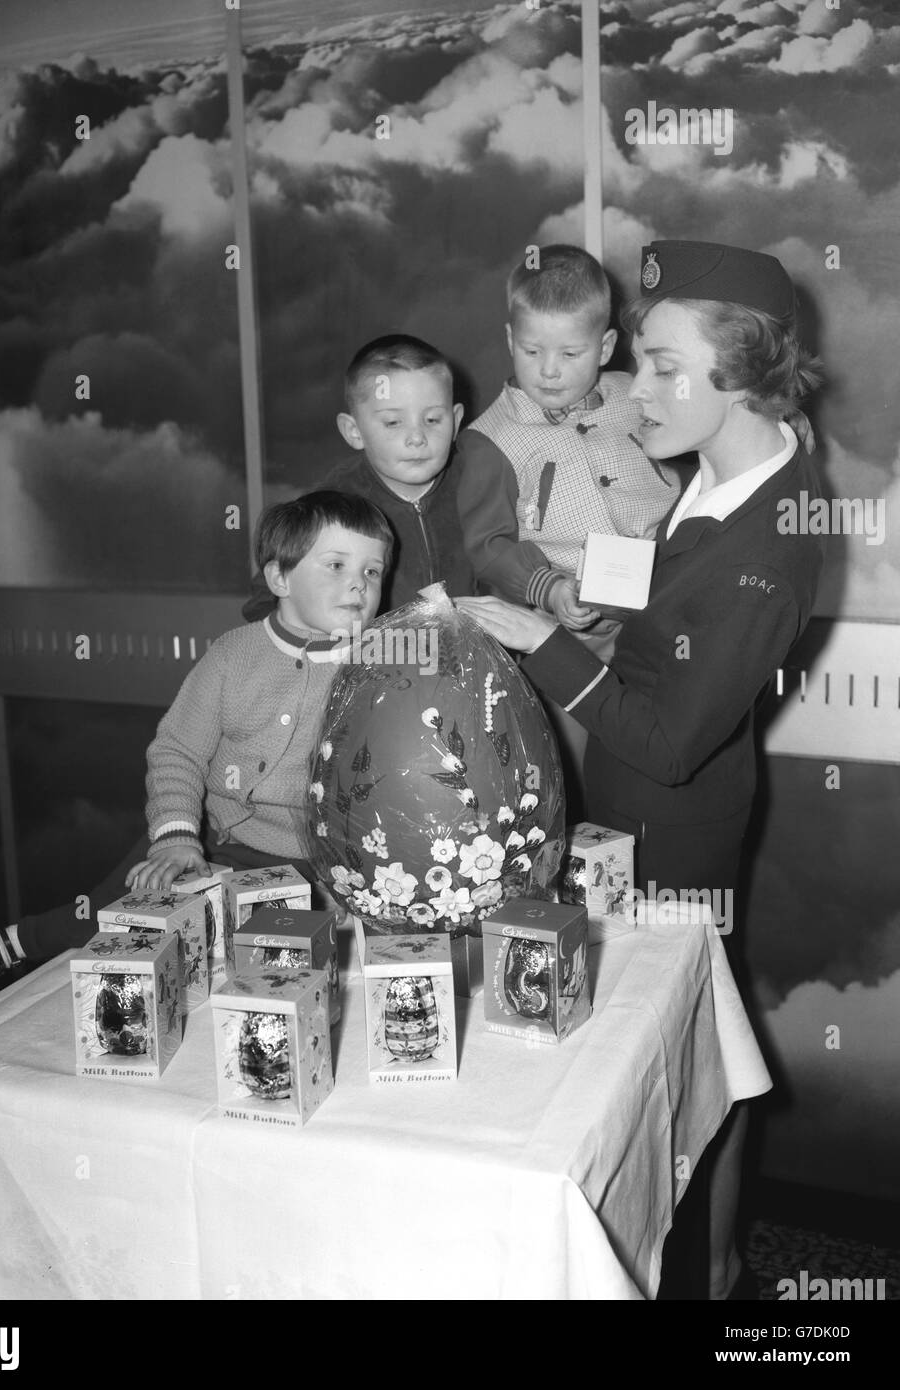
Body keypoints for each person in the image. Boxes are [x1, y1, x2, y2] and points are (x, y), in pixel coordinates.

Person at [458, 240, 826, 1300]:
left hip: (676, 823)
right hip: (630, 809)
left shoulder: (769, 545)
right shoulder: (726, 469)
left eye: (667, 367)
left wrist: (542, 642)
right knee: (659, 1059)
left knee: (689, 1075)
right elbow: (669, 587)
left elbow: (670, 742)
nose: (641, 389)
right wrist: (568, 581)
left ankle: (708, 1281)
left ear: (745, 373)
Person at [0, 491, 392, 999]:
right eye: (336, 565)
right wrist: (176, 836)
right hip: (212, 837)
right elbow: (178, 751)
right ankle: (15, 942)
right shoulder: (230, 658)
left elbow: (378, 782)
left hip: (309, 863)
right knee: (115, 912)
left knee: (279, 977)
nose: (358, 583)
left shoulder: (376, 669)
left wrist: (350, 869)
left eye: (373, 572)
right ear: (280, 578)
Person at [455, 244, 684, 805]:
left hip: (661, 614)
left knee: (658, 760)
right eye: (531, 350)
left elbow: (698, 435)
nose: (549, 370)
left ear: (606, 346)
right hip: (563, 633)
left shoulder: (636, 396)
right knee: (577, 776)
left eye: (571, 352)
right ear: (510, 340)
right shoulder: (491, 440)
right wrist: (551, 589)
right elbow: (489, 546)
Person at [243, 335, 474, 622]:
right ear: (354, 431)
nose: (417, 438)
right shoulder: (332, 504)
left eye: (432, 420)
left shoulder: (479, 484)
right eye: (393, 422)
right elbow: (267, 598)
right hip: (374, 661)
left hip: (472, 659)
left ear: (455, 422)